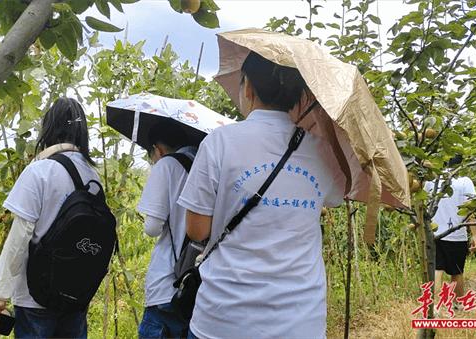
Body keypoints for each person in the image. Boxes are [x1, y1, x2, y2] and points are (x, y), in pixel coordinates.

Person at [177, 52, 346, 338]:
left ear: (248, 88)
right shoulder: (322, 149)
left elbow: (197, 230)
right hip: (300, 321)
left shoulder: (219, 143)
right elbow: (334, 197)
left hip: (224, 318)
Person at [0, 97, 100, 338]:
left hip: (35, 296)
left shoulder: (40, 170)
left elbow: (20, 236)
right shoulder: (92, 174)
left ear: (49, 128)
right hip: (76, 294)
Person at [137, 120, 197, 338]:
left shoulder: (167, 165)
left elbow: (152, 228)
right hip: (199, 284)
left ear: (157, 149)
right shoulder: (204, 162)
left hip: (168, 283)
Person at [425, 156, 476, 305]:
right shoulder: (465, 182)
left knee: (437, 269)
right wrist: (475, 235)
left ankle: (435, 307)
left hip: (434, 234)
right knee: (456, 272)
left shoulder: (432, 181)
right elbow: (470, 211)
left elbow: (423, 204)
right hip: (456, 235)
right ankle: (457, 305)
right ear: (461, 163)